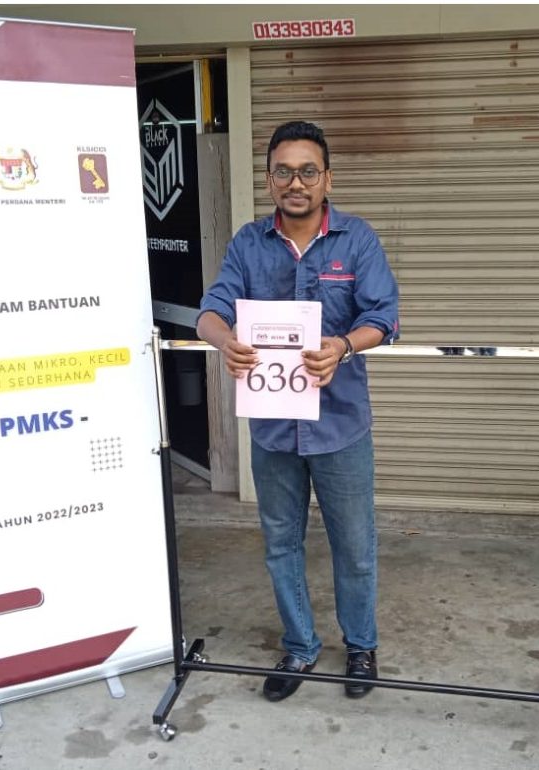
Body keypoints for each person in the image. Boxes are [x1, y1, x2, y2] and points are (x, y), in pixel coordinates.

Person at [196, 120, 400, 702]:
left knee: (354, 547)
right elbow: (211, 309)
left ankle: (360, 647)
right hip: (273, 430)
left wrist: (344, 345)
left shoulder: (357, 240)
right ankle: (300, 645)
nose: (296, 183)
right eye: (283, 172)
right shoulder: (248, 243)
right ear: (269, 180)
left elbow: (384, 316)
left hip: (340, 426)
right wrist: (224, 341)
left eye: (308, 171)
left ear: (327, 179)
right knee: (280, 543)